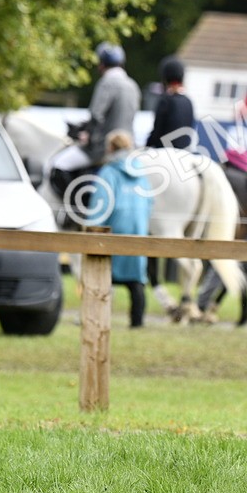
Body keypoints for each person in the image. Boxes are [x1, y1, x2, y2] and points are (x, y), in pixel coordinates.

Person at [87, 130, 153, 327]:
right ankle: (137, 323)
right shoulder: (142, 173)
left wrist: (92, 229)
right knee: (137, 281)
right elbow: (150, 202)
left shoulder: (109, 172)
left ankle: (96, 319)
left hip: (114, 230)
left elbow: (101, 202)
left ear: (111, 148)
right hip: (138, 230)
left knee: (102, 278)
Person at [84, 42, 141, 163]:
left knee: (62, 164)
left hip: (108, 148)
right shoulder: (132, 85)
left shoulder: (106, 83)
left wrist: (87, 136)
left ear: (102, 64)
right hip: (130, 146)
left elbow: (96, 115)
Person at [146, 56, 195, 150]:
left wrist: (146, 147)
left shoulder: (165, 101)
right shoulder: (188, 102)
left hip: (164, 153)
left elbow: (157, 132)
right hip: (183, 153)